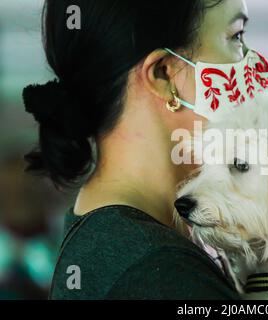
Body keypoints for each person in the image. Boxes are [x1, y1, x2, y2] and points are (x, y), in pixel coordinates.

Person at [22, 0, 250, 299]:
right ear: (165, 75)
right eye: (236, 36)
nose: (253, 62)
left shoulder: (108, 234)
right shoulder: (161, 273)